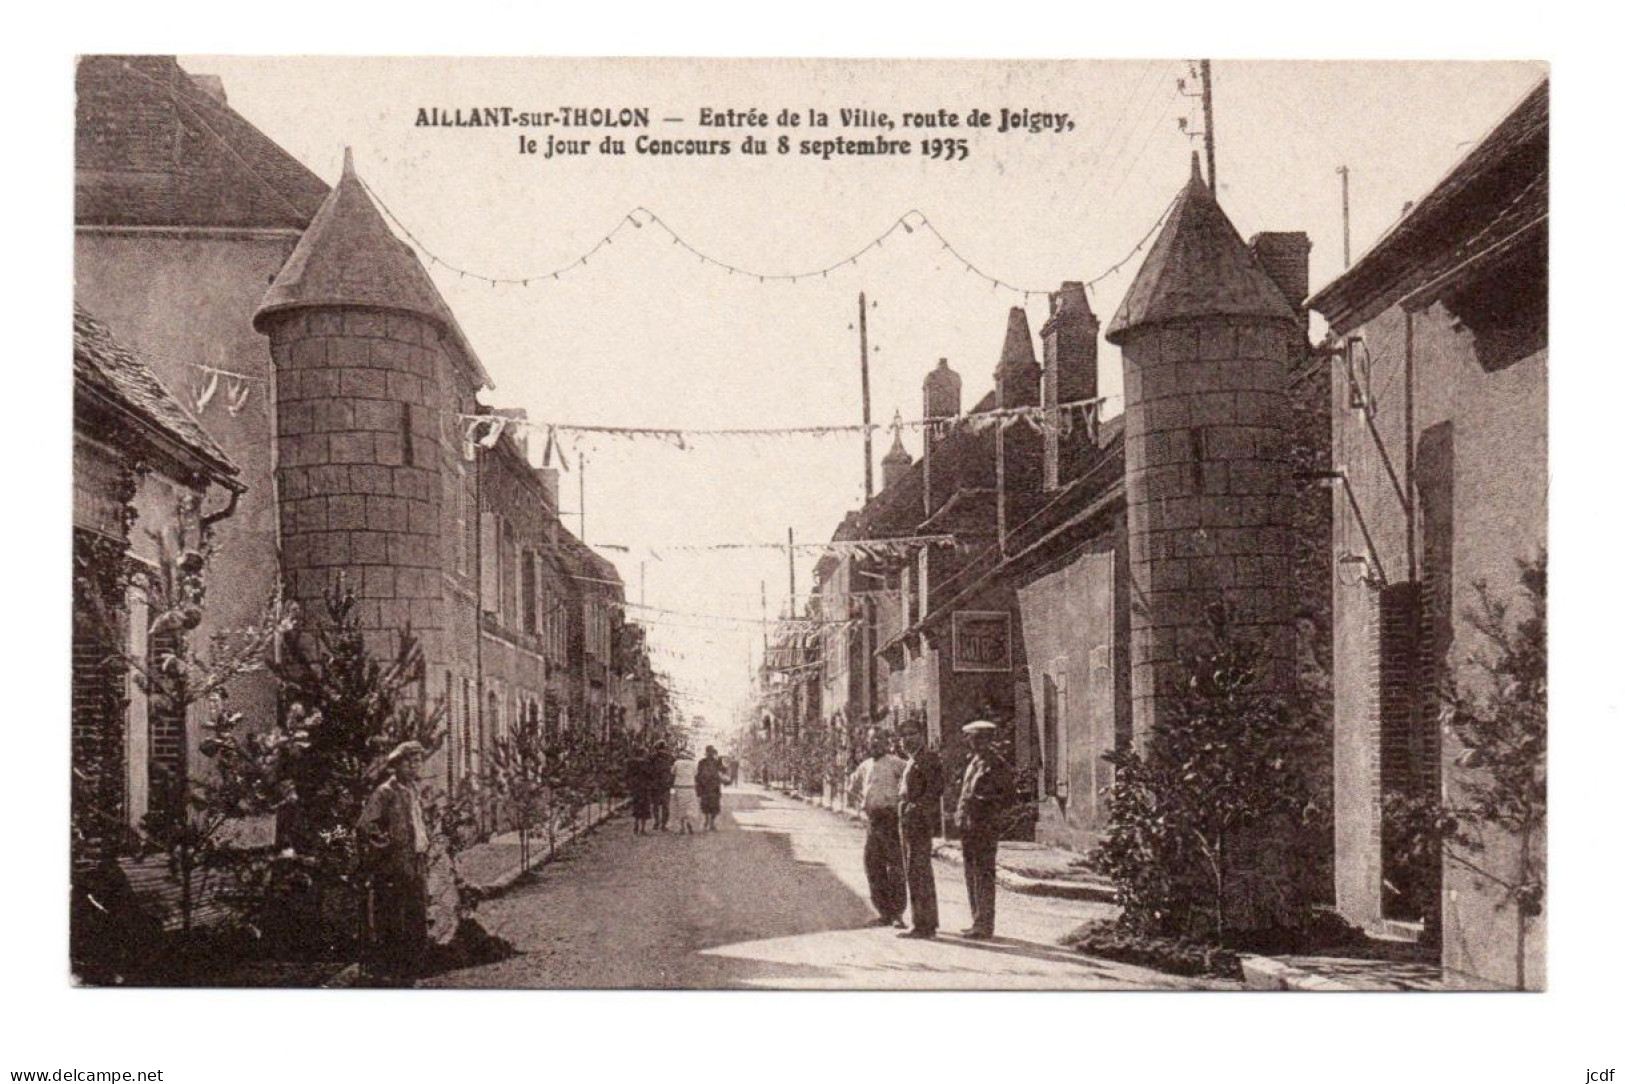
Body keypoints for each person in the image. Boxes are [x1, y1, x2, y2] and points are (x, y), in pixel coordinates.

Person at [357, 741, 431, 977]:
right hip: (395, 867)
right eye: (409, 761)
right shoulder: (385, 793)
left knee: (416, 916)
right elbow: (366, 826)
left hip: (415, 863)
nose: (415, 766)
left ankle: (412, 970)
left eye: (418, 761)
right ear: (397, 765)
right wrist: (388, 850)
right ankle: (392, 972)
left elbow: (416, 825)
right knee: (393, 917)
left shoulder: (412, 791)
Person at [954, 720, 1014, 939]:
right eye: (971, 738)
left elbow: (1006, 795)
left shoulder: (996, 764)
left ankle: (985, 924)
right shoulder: (974, 762)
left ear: (986, 739)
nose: (971, 742)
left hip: (984, 825)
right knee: (972, 874)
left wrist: (985, 804)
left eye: (976, 738)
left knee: (984, 874)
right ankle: (977, 920)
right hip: (969, 826)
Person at [846, 728, 909, 928]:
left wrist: (902, 801)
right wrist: (860, 806)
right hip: (873, 821)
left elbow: (912, 779)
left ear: (887, 743)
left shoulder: (896, 763)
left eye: (879, 740)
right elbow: (852, 787)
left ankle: (898, 913)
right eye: (872, 740)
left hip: (891, 820)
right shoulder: (865, 766)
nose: (875, 744)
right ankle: (884, 913)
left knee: (895, 868)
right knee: (873, 866)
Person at [896, 725, 944, 939]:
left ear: (922, 736)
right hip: (909, 819)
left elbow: (935, 789)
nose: (907, 739)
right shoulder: (913, 760)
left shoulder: (927, 759)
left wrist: (918, 808)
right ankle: (924, 921)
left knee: (919, 871)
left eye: (912, 734)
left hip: (918, 821)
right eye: (904, 736)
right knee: (914, 871)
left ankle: (923, 924)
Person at [695, 745, 726, 831]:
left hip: (712, 787)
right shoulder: (702, 762)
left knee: (713, 806)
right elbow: (698, 775)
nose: (710, 754)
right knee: (707, 805)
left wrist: (721, 761)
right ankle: (708, 820)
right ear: (707, 753)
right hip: (707, 787)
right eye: (709, 752)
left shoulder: (716, 762)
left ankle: (711, 822)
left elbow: (723, 771)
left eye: (711, 752)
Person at [648, 740, 674, 831]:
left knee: (655, 805)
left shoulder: (652, 758)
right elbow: (672, 771)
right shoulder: (670, 757)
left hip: (655, 784)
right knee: (665, 805)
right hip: (665, 784)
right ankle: (663, 824)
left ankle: (657, 823)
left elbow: (649, 770)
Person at [670, 754, 699, 834]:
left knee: (680, 807)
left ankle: (682, 827)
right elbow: (695, 773)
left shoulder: (677, 762)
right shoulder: (693, 763)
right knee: (690, 807)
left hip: (679, 787)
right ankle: (689, 823)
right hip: (690, 787)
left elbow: (672, 772)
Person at [627, 745, 652, 835]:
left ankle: (636, 825)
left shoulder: (632, 762)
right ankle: (643, 828)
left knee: (637, 806)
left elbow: (629, 774)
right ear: (644, 754)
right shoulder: (647, 763)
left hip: (636, 788)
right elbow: (650, 775)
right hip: (645, 788)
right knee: (645, 807)